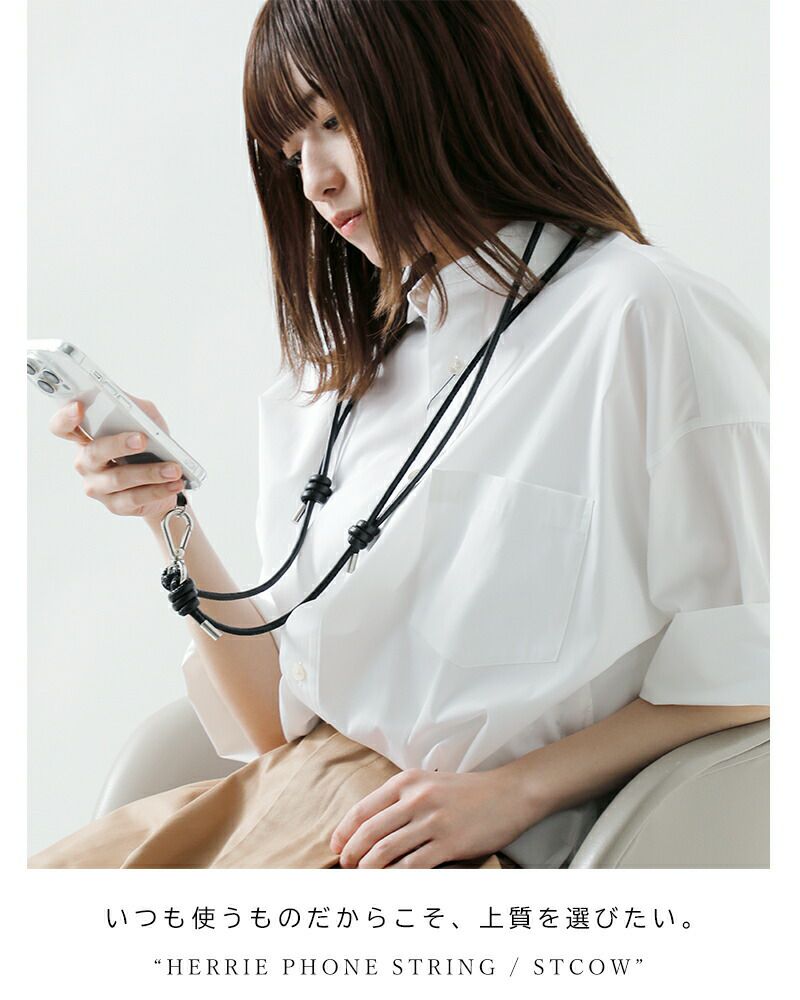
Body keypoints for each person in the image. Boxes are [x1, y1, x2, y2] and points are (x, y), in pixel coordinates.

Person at [29, 0, 768, 870]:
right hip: (283, 807)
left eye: (333, 122)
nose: (314, 182)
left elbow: (759, 660)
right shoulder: (335, 385)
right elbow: (276, 724)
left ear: (451, 83)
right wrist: (167, 513)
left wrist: (518, 791)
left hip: (446, 855)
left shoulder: (643, 317)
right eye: (290, 151)